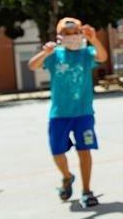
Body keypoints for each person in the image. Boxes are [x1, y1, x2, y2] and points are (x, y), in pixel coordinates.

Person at [27, 17, 108, 208]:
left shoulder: (86, 53)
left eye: (75, 33)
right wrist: (44, 53)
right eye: (67, 34)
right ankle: (67, 176)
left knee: (84, 151)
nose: (71, 37)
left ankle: (86, 191)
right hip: (59, 114)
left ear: (81, 34)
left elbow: (102, 57)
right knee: (57, 152)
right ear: (59, 36)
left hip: (83, 113)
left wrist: (94, 39)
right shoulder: (55, 55)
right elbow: (32, 65)